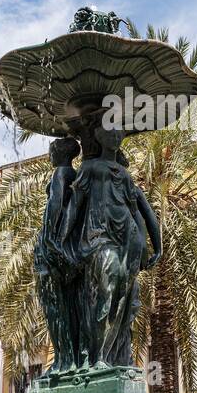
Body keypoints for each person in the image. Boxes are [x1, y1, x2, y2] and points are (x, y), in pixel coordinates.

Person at [62, 124, 160, 368]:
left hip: (127, 237)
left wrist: (150, 244)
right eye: (112, 134)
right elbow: (75, 204)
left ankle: (110, 356)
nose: (116, 138)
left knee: (123, 298)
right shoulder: (90, 167)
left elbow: (137, 211)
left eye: (119, 135)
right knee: (106, 291)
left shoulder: (125, 175)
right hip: (99, 236)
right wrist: (63, 236)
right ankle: (95, 356)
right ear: (101, 137)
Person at [35, 137, 81, 371]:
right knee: (70, 308)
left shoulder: (61, 174)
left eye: (51, 150)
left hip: (51, 251)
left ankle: (64, 361)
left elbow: (55, 204)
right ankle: (71, 358)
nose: (49, 154)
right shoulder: (74, 175)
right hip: (69, 249)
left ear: (60, 153)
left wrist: (51, 238)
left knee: (55, 307)